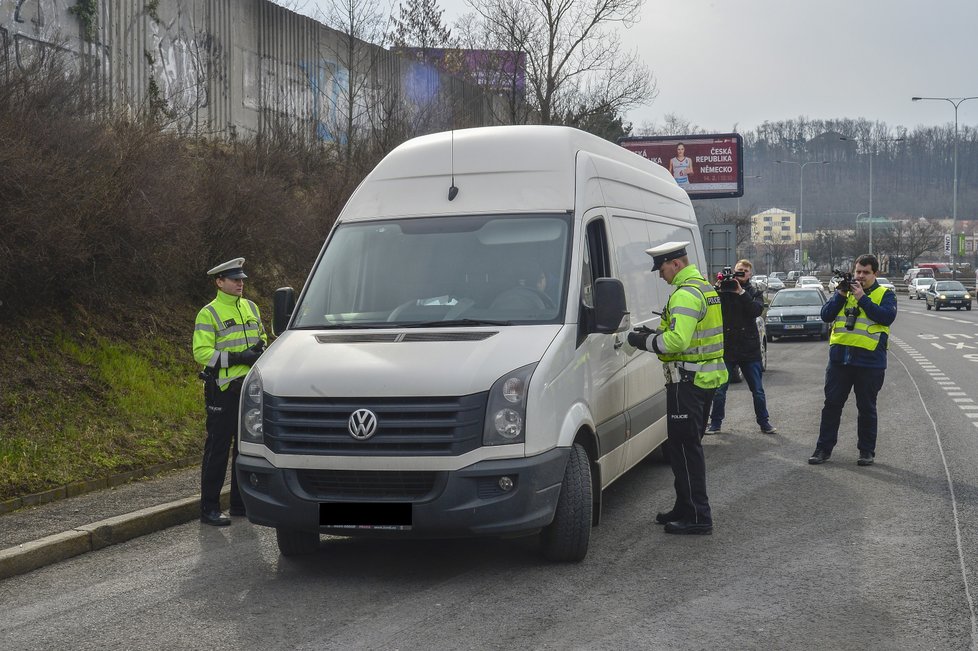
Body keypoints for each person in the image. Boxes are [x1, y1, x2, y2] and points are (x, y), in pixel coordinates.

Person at [628, 242, 727, 535]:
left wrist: (642, 342)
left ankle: (698, 516)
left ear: (676, 264)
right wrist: (657, 333)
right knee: (683, 447)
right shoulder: (705, 289)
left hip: (687, 382)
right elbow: (690, 335)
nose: (660, 275)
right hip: (702, 380)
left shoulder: (685, 294)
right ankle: (684, 506)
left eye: (661, 269)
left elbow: (677, 342)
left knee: (685, 450)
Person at [192, 257, 268, 526]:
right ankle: (209, 509)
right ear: (219, 282)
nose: (240, 283)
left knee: (245, 448)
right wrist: (237, 358)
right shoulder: (208, 313)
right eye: (234, 279)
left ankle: (239, 504)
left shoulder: (251, 307)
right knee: (218, 449)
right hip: (222, 391)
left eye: (242, 279)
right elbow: (201, 353)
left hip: (249, 389)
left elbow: (262, 338)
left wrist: (258, 351)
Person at [808, 254, 897, 467]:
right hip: (840, 361)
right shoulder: (845, 292)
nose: (861, 276)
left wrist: (862, 298)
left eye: (866, 272)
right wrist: (840, 293)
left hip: (870, 362)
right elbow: (826, 315)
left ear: (875, 273)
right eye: (858, 271)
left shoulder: (886, 294)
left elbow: (886, 317)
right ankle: (823, 449)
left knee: (866, 408)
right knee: (831, 405)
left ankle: (866, 452)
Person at [707, 259, 776, 435]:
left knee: (757, 390)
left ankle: (764, 422)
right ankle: (715, 423)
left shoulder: (754, 292)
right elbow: (711, 307)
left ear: (750, 274)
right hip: (728, 347)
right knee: (720, 390)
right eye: (739, 270)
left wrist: (741, 292)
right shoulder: (723, 289)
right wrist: (717, 288)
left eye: (744, 271)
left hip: (749, 348)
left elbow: (755, 311)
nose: (741, 273)